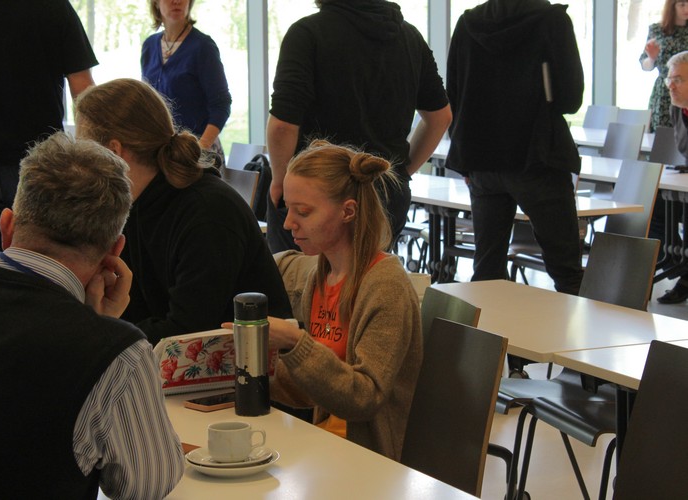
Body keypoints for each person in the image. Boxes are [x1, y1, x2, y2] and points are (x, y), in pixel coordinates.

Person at [0, 133, 184, 498]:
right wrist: (102, 326)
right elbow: (149, 486)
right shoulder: (117, 354)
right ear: (114, 252)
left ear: (7, 226)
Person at [227, 140, 422, 461]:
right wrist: (235, 370)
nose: (288, 223)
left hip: (369, 460)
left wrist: (296, 343)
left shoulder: (386, 286)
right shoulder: (322, 276)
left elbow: (363, 398)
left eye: (303, 212)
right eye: (288, 208)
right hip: (326, 447)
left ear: (348, 211)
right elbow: (316, 390)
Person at [75, 78, 292, 345]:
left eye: (82, 150)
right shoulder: (134, 205)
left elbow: (187, 332)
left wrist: (99, 335)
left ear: (113, 151)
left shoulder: (208, 211)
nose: (79, 164)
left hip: (248, 363)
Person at [265, 0, 452, 253]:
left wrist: (280, 181)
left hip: (315, 194)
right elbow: (440, 118)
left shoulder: (307, 33)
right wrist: (399, 172)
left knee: (299, 277)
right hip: (385, 194)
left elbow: (283, 125)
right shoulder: (410, 38)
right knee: (372, 277)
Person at [0, 0, 98, 263]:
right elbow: (84, 90)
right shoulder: (53, 6)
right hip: (44, 161)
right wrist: (89, 159)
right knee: (42, 268)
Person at [446, 0, 585, 295]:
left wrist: (465, 161)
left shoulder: (468, 23)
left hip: (482, 160)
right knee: (567, 273)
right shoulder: (551, 19)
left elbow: (454, 96)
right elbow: (571, 98)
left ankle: (489, 328)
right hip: (537, 156)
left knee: (487, 272)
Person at [142, 0, 231, 159]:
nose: (177, 1)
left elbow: (221, 104)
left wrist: (199, 149)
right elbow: (147, 103)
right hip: (162, 154)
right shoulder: (149, 46)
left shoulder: (203, 46)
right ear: (156, 3)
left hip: (200, 154)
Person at [654, 50, 688, 303]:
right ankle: (677, 263)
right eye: (669, 79)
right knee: (653, 207)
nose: (670, 86)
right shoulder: (678, 109)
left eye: (678, 80)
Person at [640, 0, 688, 132]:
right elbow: (645, 66)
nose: (686, 9)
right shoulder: (658, 30)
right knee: (663, 134)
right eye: (682, 5)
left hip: (686, 88)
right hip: (665, 89)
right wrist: (652, 58)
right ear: (672, 6)